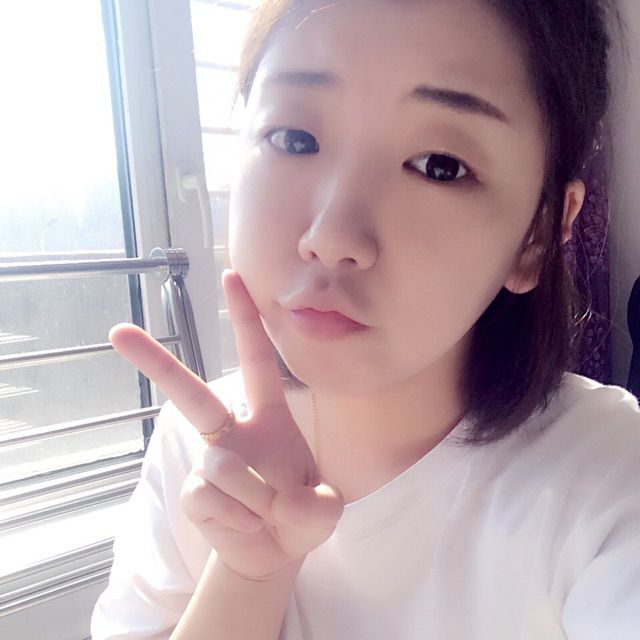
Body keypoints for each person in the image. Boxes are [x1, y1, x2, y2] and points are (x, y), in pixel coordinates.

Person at [91, 0, 639, 638]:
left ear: (538, 235)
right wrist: (248, 575)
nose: (331, 236)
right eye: (294, 138)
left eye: (439, 166)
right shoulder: (202, 446)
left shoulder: (608, 478)